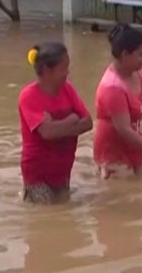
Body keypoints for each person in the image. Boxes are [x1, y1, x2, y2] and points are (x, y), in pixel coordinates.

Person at [93, 23, 142, 178]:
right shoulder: (113, 88)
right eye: (140, 54)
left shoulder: (139, 74)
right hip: (114, 156)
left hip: (135, 151)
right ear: (125, 55)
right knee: (126, 197)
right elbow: (124, 130)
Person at [18, 43, 93, 203]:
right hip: (37, 175)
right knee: (45, 220)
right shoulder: (28, 96)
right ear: (46, 70)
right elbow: (47, 133)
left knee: (63, 217)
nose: (67, 73)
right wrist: (71, 119)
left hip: (63, 171)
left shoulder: (68, 89)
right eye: (63, 68)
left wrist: (58, 125)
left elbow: (88, 123)